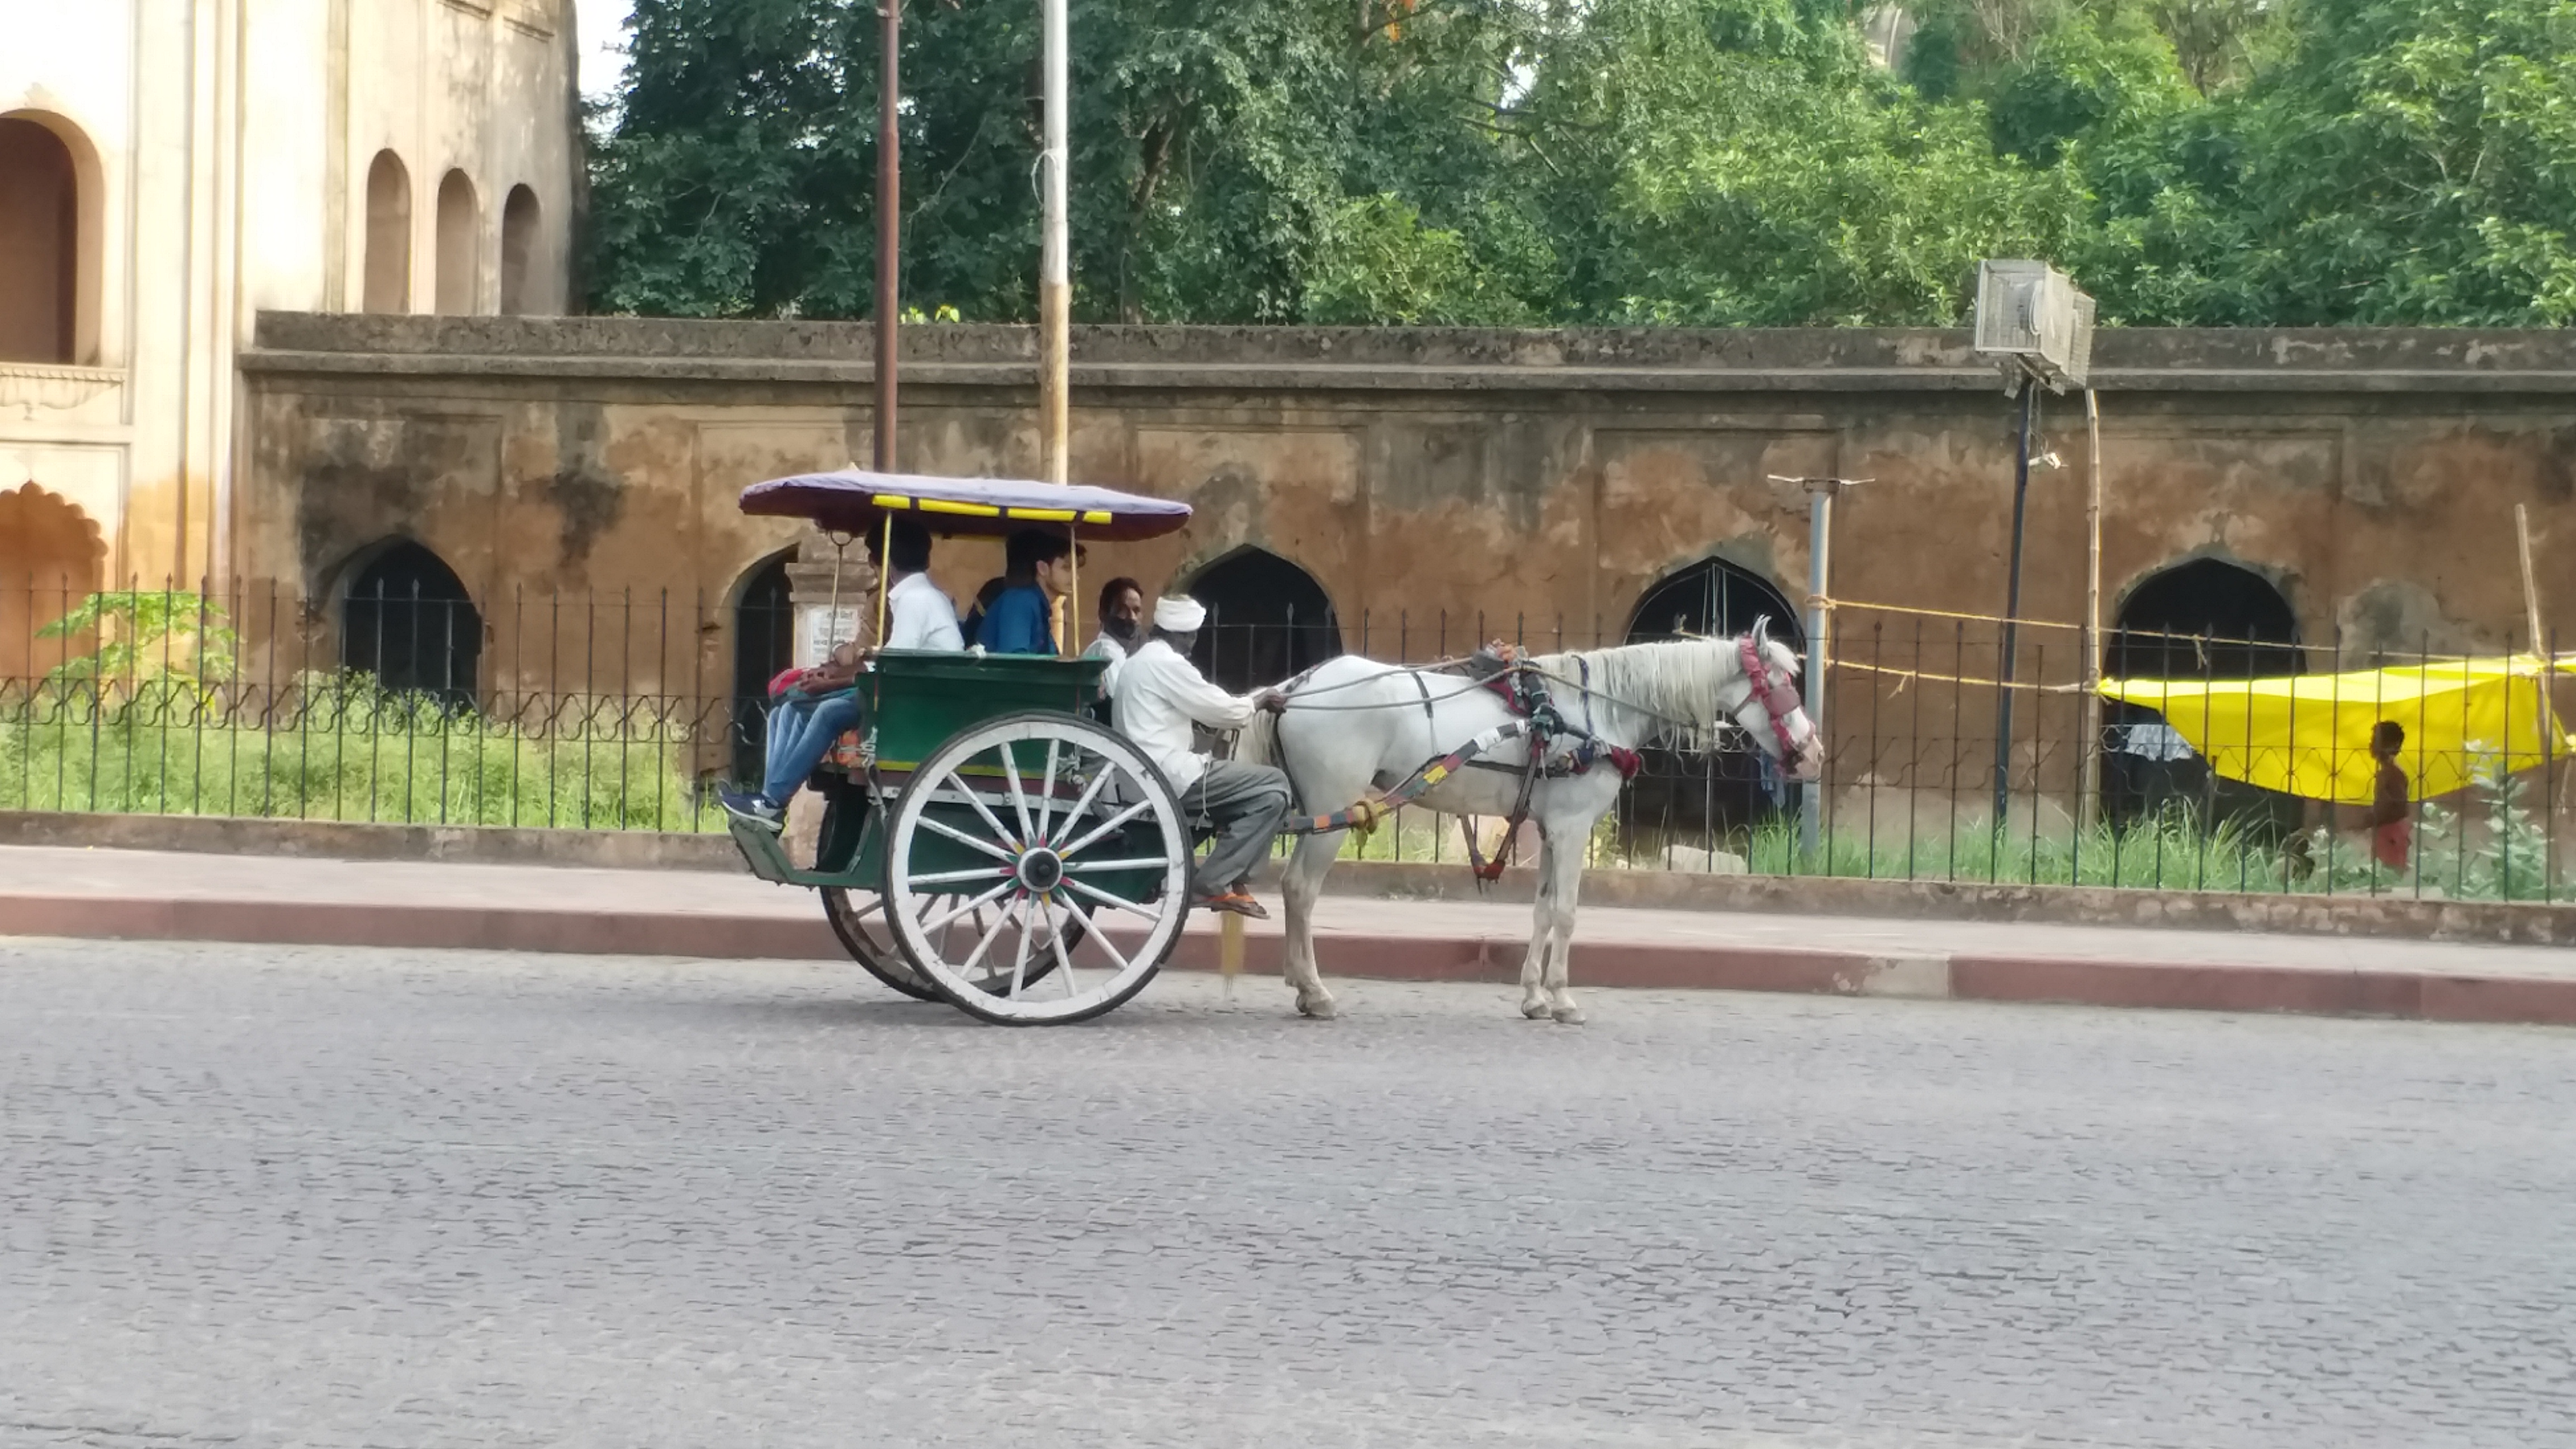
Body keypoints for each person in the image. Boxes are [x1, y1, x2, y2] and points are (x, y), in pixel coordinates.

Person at [719, 519, 960, 830]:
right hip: (902, 693)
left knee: (828, 710)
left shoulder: (915, 601)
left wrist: (831, 683)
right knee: (788, 708)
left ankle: (772, 803)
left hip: (911, 702)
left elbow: (891, 669)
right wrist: (830, 679)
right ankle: (769, 803)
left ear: (882, 562)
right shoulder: (919, 597)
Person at [1114, 595, 1292, 917]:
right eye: (1192, 636)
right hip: (1169, 776)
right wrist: (1260, 699)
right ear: (1182, 634)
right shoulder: (1167, 665)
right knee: (1276, 782)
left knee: (1273, 799)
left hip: (1143, 775)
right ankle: (1212, 881)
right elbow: (1222, 711)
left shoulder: (1139, 662)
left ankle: (1231, 878)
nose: (1193, 645)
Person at [976, 528, 1081, 655]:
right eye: (1067, 568)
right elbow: (1016, 662)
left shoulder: (1036, 604)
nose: (1076, 577)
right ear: (1042, 568)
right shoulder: (1021, 601)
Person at [878, 518, 964, 652]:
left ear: (888, 562)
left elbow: (898, 657)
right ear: (928, 561)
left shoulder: (913, 598)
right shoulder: (930, 594)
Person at [1081, 576, 1146, 695]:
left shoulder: (1120, 651)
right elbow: (1123, 699)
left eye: (1136, 611)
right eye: (1122, 610)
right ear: (1103, 614)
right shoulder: (1107, 650)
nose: (1132, 617)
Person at [2369, 719, 2412, 874]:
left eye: (2376, 740)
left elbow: (2399, 805)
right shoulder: (2386, 773)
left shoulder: (2393, 774)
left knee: (2389, 876)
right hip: (2385, 832)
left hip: (2392, 834)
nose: (2371, 744)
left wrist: (2375, 817)